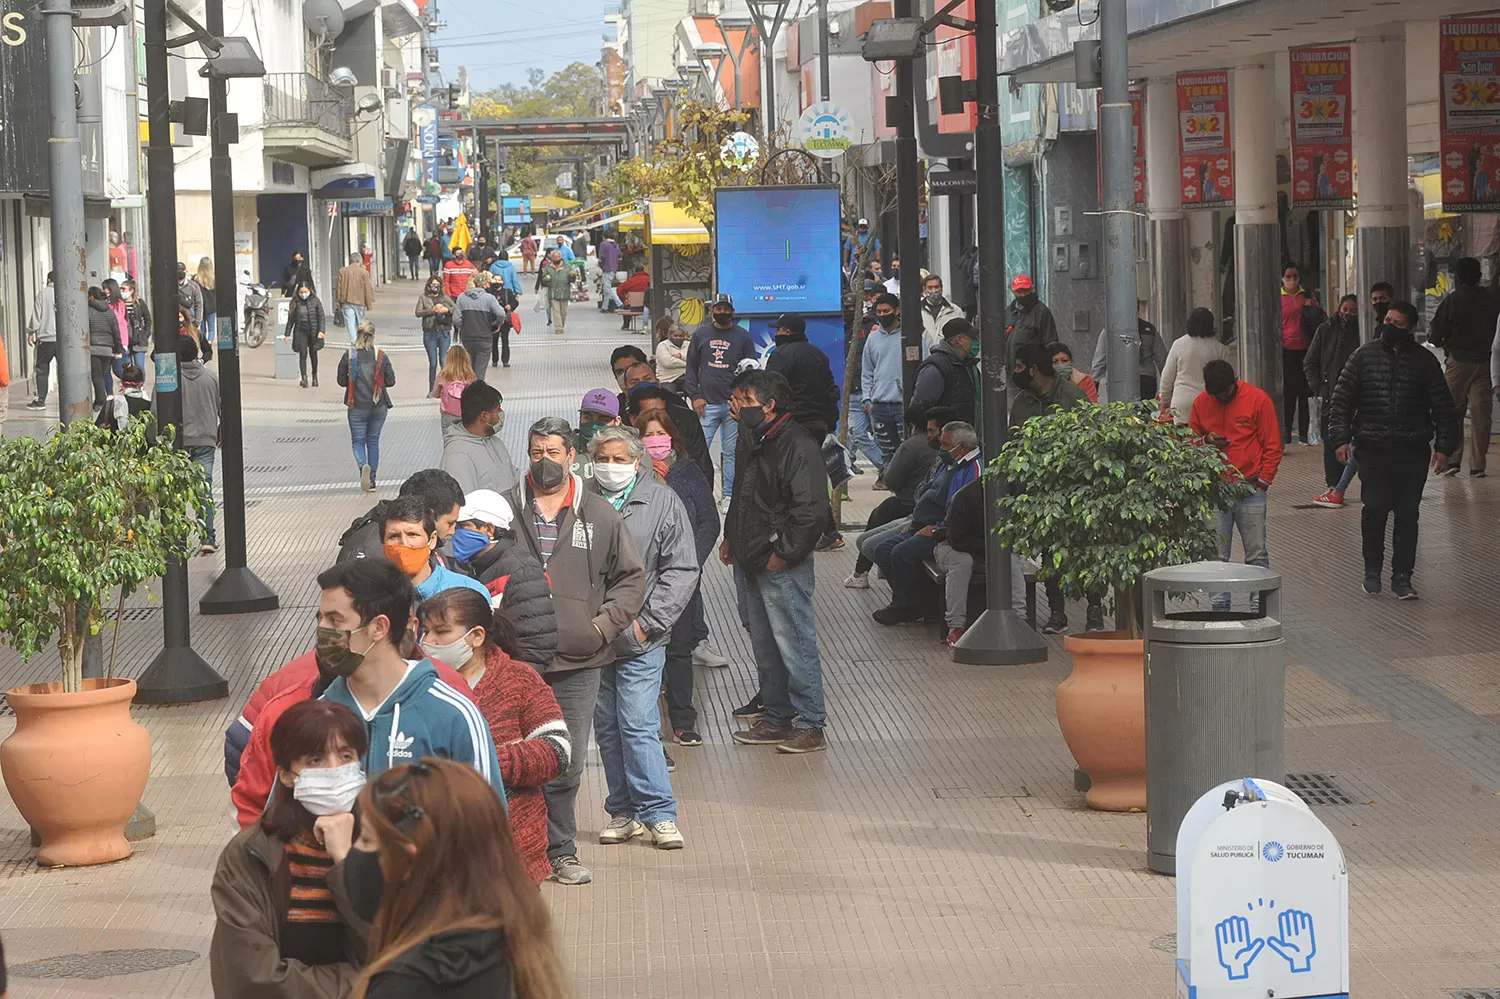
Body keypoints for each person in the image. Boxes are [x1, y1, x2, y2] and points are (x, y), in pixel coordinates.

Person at [505, 417, 646, 885]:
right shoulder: (504, 510)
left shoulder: (600, 514)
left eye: (553, 452)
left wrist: (600, 628)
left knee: (564, 761)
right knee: (514, 757)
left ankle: (560, 849)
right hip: (516, 661)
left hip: (577, 662)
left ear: (571, 457)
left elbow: (630, 579)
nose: (544, 461)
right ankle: (516, 850)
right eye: (536, 452)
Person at [347, 758, 567, 999]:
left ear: (408, 861)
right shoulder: (507, 942)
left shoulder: (406, 983)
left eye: (366, 839)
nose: (353, 850)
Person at [210, 700, 371, 997]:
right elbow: (253, 978)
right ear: (286, 774)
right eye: (316, 761)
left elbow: (399, 955)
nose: (334, 772)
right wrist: (363, 987)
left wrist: (347, 863)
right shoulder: (251, 854)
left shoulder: (387, 848)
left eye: (346, 756)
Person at [587, 426, 698, 850]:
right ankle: (623, 811)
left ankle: (659, 813)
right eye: (604, 458)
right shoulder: (582, 501)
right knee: (608, 728)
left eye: (619, 459)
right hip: (594, 637)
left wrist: (648, 623)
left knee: (637, 722)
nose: (610, 467)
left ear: (637, 462)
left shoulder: (661, 501)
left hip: (640, 638)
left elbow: (682, 568)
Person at [414, 590, 568, 885]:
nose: (428, 642)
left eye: (441, 632)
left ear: (476, 636)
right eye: (425, 631)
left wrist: (483, 759)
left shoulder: (520, 680)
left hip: (511, 853)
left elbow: (556, 751)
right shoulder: (416, 684)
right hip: (436, 855)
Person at [313, 559, 503, 798]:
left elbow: (487, 824)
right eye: (319, 619)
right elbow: (282, 820)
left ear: (379, 627)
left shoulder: (453, 715)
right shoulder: (316, 717)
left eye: (335, 620)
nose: (322, 630)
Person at [722, 370, 828, 754]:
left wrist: (783, 554)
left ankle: (811, 723)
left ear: (770, 405)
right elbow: (742, 492)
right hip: (751, 555)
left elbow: (811, 511)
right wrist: (731, 535)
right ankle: (778, 717)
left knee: (793, 640)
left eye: (745, 402)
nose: (737, 408)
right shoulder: (754, 437)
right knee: (765, 643)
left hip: (778, 561)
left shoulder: (797, 444)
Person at [1328, 301, 1458, 599]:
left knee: (1407, 515)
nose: (1390, 327)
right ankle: (1372, 570)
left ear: (1409, 328)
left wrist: (1444, 446)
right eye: (1388, 320)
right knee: (1374, 511)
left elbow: (1443, 406)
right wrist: (1340, 439)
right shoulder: (1363, 357)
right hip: (1372, 450)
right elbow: (1341, 402)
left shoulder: (1425, 362)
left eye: (1397, 324)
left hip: (1412, 451)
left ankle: (1402, 576)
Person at [634, 407, 718, 744]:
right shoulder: (631, 475)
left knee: (680, 650)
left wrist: (690, 564)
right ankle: (647, 728)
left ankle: (683, 719)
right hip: (640, 583)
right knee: (643, 653)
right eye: (647, 435)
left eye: (660, 433)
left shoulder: (688, 473)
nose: (654, 441)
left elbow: (709, 521)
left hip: (681, 582)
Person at [1011, 342, 1097, 632]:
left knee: (1086, 552)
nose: (1015, 372)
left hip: (1075, 489)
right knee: (1050, 555)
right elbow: (1014, 446)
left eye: (1019, 367)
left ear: (1034, 369)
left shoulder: (1073, 396)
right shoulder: (1022, 401)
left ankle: (1094, 611)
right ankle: (1057, 612)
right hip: (1040, 493)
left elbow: (1089, 441)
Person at [867, 422, 982, 626]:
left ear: (962, 447)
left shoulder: (974, 470)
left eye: (946, 445)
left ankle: (907, 606)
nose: (941, 449)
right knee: (883, 550)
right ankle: (912, 602)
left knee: (902, 553)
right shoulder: (951, 463)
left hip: (948, 533)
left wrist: (937, 530)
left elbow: (964, 514)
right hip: (927, 523)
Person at [1190, 360, 1282, 610]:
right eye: (1215, 395)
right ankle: (1220, 611)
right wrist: (1205, 440)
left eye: (1225, 393)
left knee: (1256, 554)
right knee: (1217, 557)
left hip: (1250, 487)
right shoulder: (1201, 402)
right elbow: (1190, 440)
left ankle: (1259, 609)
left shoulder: (1258, 400)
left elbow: (1273, 445)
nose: (1221, 398)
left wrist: (1263, 482)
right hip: (1215, 488)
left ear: (1234, 382)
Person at [450, 489, 558, 669]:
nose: (454, 533)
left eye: (463, 526)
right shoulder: (475, 567)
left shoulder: (521, 570)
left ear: (488, 529)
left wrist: (513, 684)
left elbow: (537, 645)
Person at [844, 407, 950, 589]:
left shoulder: (914, 447)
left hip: (915, 510)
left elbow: (891, 480)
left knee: (880, 517)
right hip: (921, 512)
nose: (930, 437)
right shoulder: (942, 457)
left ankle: (864, 575)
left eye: (933, 431)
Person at [1428, 256, 1498, 476]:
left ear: (1457, 276)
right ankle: (1478, 464)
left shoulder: (1453, 300)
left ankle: (1453, 459)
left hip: (1458, 362)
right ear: (1479, 276)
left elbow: (1435, 334)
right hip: (1486, 363)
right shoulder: (1492, 299)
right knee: (1481, 414)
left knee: (1453, 411)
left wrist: (1445, 342)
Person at [686, 294, 756, 510]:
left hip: (732, 406)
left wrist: (744, 401)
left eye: (726, 308)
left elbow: (751, 368)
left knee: (731, 453)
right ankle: (699, 495)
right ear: (712, 310)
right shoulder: (700, 334)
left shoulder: (743, 336)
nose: (722, 312)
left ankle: (728, 496)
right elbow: (690, 368)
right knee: (699, 452)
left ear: (732, 311)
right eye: (719, 308)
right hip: (706, 404)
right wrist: (695, 396)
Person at [335, 468, 466, 565]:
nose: (453, 531)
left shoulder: (429, 543)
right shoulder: (368, 557)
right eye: (450, 523)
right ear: (430, 514)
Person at [379, 495, 492, 603]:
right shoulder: (370, 597)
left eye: (412, 534)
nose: (405, 543)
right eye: (394, 536)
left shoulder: (470, 593)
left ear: (432, 540)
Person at [1305, 295, 1362, 506]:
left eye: (1353, 311)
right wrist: (1319, 386)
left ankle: (1341, 488)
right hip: (1330, 396)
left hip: (1354, 398)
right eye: (1344, 309)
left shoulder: (1361, 332)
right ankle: (1334, 486)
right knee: (1331, 442)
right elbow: (1310, 361)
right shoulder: (1325, 330)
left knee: (1356, 442)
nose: (1347, 314)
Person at [337, 321, 397, 493]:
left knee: (358, 441)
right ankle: (372, 481)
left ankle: (363, 466)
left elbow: (341, 380)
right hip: (378, 406)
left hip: (356, 406)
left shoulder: (349, 355)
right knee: (373, 441)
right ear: (373, 335)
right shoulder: (381, 355)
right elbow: (391, 381)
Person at [175, 335, 222, 554]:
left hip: (179, 442)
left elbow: (156, 412)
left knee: (175, 491)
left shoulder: (170, 378)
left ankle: (177, 537)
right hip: (206, 440)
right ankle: (208, 538)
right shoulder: (211, 378)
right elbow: (222, 407)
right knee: (204, 489)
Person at [441, 380, 518, 495]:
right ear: (484, 416)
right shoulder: (458, 456)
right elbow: (463, 504)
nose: (501, 413)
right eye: (498, 409)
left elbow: (512, 475)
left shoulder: (494, 442)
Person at [1158, 307, 1228, 424]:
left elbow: (1167, 377)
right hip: (1210, 403)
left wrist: (1165, 400)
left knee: (1183, 439)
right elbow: (1227, 379)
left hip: (1182, 404)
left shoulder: (1179, 345)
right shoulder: (1219, 348)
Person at [862, 293, 906, 467]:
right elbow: (867, 371)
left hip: (902, 405)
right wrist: (867, 401)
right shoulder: (872, 338)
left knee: (905, 454)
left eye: (885, 311)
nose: (881, 315)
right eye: (878, 312)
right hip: (878, 406)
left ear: (897, 310)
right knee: (887, 456)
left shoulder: (910, 335)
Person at [910, 317, 980, 426]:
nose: (976, 342)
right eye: (972, 338)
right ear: (959, 339)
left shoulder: (968, 365)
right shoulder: (935, 368)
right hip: (945, 437)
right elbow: (920, 406)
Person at [1276, 264, 1314, 445]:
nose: (1292, 280)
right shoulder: (1278, 298)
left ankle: (1305, 432)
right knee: (1289, 393)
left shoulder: (1306, 296)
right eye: (1288, 276)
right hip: (1287, 350)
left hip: (1306, 349)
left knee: (1305, 391)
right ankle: (1287, 432)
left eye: (1295, 276)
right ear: (1282, 278)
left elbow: (1316, 317)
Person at [1090, 316, 1166, 402]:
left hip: (1118, 379)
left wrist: (1094, 382)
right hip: (1146, 379)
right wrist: (1168, 385)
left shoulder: (1109, 330)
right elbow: (1162, 359)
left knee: (1120, 411)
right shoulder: (1150, 329)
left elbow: (1100, 359)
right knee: (1144, 412)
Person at [453, 273, 507, 382]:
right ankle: (478, 394)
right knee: (480, 371)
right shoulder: (489, 298)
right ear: (485, 284)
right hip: (484, 337)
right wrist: (497, 324)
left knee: (469, 370)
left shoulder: (461, 298)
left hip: (467, 338)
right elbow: (501, 313)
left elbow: (456, 319)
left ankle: (470, 391)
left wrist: (464, 327)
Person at [1006, 273, 1058, 366]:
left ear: (1032, 289)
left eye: (1026, 291)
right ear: (1013, 292)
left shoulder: (1042, 312)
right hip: (1010, 371)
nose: (1023, 294)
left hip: (1033, 371)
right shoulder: (1008, 312)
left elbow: (1051, 343)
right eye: (1019, 291)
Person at [415, 276, 456, 394]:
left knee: (444, 362)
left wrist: (446, 310)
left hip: (443, 331)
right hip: (430, 332)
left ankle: (445, 389)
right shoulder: (423, 297)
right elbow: (418, 312)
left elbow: (455, 308)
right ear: (428, 286)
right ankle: (432, 390)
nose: (435, 287)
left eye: (437, 285)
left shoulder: (444, 297)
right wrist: (432, 310)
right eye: (433, 285)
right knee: (433, 363)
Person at [86, 285, 123, 411]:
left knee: (96, 376)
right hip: (108, 348)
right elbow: (116, 331)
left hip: (93, 347)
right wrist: (118, 349)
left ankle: (100, 401)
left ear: (90, 297)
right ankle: (101, 398)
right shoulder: (109, 310)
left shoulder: (87, 310)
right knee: (104, 373)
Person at [285, 280, 326, 388]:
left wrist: (321, 331)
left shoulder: (315, 301)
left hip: (313, 330)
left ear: (309, 290)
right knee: (303, 354)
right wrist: (287, 334)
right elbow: (291, 320)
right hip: (300, 331)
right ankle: (304, 378)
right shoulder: (295, 302)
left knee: (313, 353)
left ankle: (315, 376)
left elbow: (321, 317)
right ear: (298, 292)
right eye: (301, 292)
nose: (303, 294)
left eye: (305, 291)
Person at [24, 271, 56, 410]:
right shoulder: (67, 291)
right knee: (66, 370)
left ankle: (40, 399)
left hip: (46, 338)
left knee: (41, 368)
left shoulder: (43, 294)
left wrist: (31, 331)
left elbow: (37, 315)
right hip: (63, 340)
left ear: (48, 279)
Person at [96, 361, 151, 432]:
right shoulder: (148, 406)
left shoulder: (111, 404)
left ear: (122, 383)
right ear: (141, 384)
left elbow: (96, 428)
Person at [431, 344, 475, 432]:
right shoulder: (470, 376)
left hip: (448, 414)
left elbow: (435, 394)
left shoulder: (442, 375)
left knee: (449, 440)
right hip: (466, 413)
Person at [335, 252, 374, 347]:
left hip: (346, 301)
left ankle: (353, 342)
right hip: (360, 302)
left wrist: (338, 301)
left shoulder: (342, 271)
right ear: (359, 261)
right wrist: (368, 304)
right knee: (360, 322)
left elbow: (338, 288)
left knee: (350, 323)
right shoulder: (364, 273)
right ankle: (361, 341)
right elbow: (367, 289)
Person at [919, 274, 963, 355]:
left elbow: (964, 336)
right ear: (924, 289)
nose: (933, 290)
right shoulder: (917, 311)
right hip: (924, 358)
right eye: (930, 287)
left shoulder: (955, 310)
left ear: (941, 288)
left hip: (949, 358)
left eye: (936, 287)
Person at [541, 248, 577, 336]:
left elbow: (572, 280)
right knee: (556, 311)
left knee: (563, 312)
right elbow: (543, 278)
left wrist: (572, 276)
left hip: (564, 292)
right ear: (552, 258)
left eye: (558, 258)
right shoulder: (548, 267)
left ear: (561, 258)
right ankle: (558, 328)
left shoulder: (567, 267)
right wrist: (546, 279)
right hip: (553, 292)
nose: (556, 260)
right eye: (554, 258)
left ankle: (561, 325)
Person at [120, 278, 150, 373]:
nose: (122, 291)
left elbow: (147, 318)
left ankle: (141, 386)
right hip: (125, 339)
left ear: (131, 290)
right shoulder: (120, 303)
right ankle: (129, 384)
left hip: (138, 338)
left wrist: (146, 333)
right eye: (121, 289)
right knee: (127, 366)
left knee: (139, 366)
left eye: (124, 289)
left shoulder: (139, 303)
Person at [653, 317, 688, 387]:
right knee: (669, 394)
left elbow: (694, 358)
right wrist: (688, 364)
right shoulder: (662, 345)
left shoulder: (689, 344)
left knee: (696, 391)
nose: (678, 338)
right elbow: (668, 363)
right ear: (670, 335)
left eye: (680, 336)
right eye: (675, 336)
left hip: (685, 377)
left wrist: (680, 356)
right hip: (667, 379)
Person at [197, 257, 219, 347]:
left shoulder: (196, 278)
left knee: (202, 328)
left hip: (201, 306)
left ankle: (203, 344)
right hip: (212, 306)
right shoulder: (214, 278)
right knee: (211, 328)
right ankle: (209, 342)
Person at [177, 261, 204, 328]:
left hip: (191, 322)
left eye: (182, 270)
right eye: (178, 270)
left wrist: (197, 322)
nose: (180, 272)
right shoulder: (170, 287)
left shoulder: (193, 286)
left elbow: (199, 303)